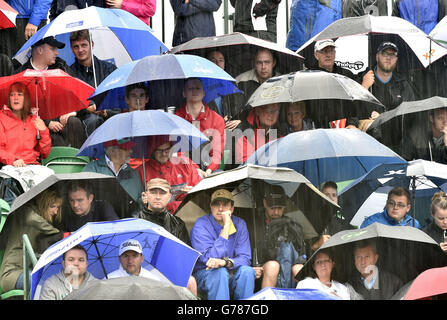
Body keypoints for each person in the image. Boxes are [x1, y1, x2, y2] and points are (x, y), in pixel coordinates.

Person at [190, 189, 256, 300]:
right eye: (216, 204)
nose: (220, 209)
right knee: (219, 273)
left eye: (225, 205)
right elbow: (208, 259)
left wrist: (226, 262)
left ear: (232, 208)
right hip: (205, 273)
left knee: (248, 271)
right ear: (211, 207)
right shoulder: (201, 224)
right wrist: (226, 227)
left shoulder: (240, 223)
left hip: (230, 270)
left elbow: (245, 258)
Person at [138, 179, 198, 295]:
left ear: (169, 196)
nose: (158, 197)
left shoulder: (178, 223)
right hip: (143, 272)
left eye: (162, 193)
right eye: (153, 192)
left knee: (191, 281)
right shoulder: (136, 220)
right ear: (145, 195)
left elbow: (186, 255)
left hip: (171, 271)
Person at [0, 188, 66, 292]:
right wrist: (61, 234)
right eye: (52, 206)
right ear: (43, 204)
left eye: (58, 207)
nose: (55, 211)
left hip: (29, 271)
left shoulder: (43, 223)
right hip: (11, 274)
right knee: (43, 283)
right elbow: (31, 218)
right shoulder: (26, 211)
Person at [253, 185, 307, 289]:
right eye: (273, 208)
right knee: (273, 266)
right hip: (261, 271)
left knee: (299, 269)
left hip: (288, 273)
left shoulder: (292, 226)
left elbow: (301, 256)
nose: (276, 212)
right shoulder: (255, 224)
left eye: (280, 208)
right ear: (265, 203)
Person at [69, 30, 119, 136]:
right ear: (71, 49)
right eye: (76, 47)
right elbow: (69, 105)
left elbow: (118, 102)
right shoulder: (69, 74)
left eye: (84, 45)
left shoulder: (109, 69)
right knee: (93, 120)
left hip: (110, 118)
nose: (80, 50)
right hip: (83, 121)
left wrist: (105, 111)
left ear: (91, 44)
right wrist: (87, 109)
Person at [136, 135, 202, 214]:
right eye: (159, 150)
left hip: (185, 214)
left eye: (167, 150)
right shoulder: (141, 171)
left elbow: (199, 192)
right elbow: (137, 200)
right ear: (152, 151)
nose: (164, 154)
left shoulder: (185, 164)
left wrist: (191, 192)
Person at [175, 78, 226, 176]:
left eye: (197, 88)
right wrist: (195, 170)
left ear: (203, 93)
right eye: (190, 88)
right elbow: (178, 152)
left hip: (209, 169)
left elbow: (217, 152)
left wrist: (209, 171)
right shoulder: (177, 119)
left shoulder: (217, 119)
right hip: (184, 170)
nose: (194, 91)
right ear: (184, 93)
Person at [0, 82, 51, 167]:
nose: (15, 98)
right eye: (12, 95)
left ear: (26, 98)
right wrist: (13, 160)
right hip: (9, 166)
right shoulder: (1, 118)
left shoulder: (35, 120)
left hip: (32, 166)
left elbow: (44, 154)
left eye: (20, 94)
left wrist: (44, 131)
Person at [82, 138, 144, 206]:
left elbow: (139, 200)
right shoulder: (92, 169)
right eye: (125, 149)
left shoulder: (133, 174)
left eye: (130, 148)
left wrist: (144, 201)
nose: (131, 151)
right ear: (111, 150)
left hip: (130, 215)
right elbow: (84, 198)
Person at [360, 41, 415, 112]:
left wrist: (383, 117)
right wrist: (364, 88)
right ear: (377, 57)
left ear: (396, 59)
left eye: (392, 54)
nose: (388, 57)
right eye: (384, 53)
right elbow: (353, 113)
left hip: (394, 123)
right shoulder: (362, 78)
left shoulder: (403, 85)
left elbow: (410, 114)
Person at [310, 181, 355, 252]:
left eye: (334, 195)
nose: (331, 198)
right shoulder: (311, 225)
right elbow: (303, 255)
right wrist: (317, 245)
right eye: (327, 195)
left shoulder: (346, 226)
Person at [206, 49, 242, 131]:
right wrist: (219, 122)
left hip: (229, 133)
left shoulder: (231, 85)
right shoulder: (199, 87)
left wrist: (239, 121)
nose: (217, 64)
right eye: (213, 61)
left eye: (220, 60)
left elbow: (240, 111)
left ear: (224, 64)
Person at [107, 239, 171, 283]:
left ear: (142, 258)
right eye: (126, 256)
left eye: (134, 256)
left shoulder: (153, 280)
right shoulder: (109, 280)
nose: (130, 261)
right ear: (119, 259)